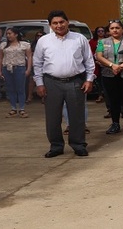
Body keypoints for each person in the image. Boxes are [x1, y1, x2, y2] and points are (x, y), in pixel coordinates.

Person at [34, 11, 94, 157]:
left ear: (67, 22)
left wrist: (89, 79)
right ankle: (56, 146)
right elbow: (37, 63)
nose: (59, 25)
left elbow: (88, 61)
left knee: (76, 116)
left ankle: (78, 144)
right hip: (51, 82)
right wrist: (39, 83)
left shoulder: (79, 39)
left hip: (75, 81)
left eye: (61, 22)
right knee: (53, 116)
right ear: (50, 25)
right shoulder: (44, 41)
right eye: (55, 23)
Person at [95, 20, 123, 135]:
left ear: (122, 29)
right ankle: (115, 123)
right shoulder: (103, 41)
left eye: (117, 28)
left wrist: (120, 67)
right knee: (113, 100)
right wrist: (112, 65)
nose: (115, 30)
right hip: (109, 74)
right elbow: (99, 56)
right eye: (112, 28)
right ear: (109, 30)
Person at [0, 28, 33, 118]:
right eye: (7, 34)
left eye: (10, 33)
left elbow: (29, 57)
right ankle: (13, 108)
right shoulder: (3, 45)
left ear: (16, 34)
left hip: (19, 68)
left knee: (20, 89)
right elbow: (0, 58)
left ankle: (22, 108)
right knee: (10, 89)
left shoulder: (24, 45)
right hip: (7, 68)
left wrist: (28, 69)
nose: (8, 35)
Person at [26, 31, 45, 103]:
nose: (39, 37)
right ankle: (30, 96)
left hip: (46, 65)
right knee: (32, 80)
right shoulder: (33, 44)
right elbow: (29, 55)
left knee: (44, 80)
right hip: (35, 64)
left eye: (41, 36)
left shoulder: (47, 43)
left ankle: (44, 97)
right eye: (38, 36)